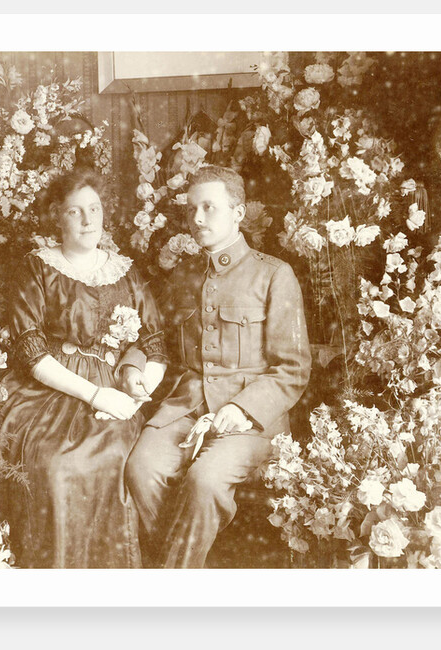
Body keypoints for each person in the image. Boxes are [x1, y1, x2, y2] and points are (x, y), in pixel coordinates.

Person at [123, 165, 311, 568]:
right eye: (192, 209)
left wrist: (241, 409)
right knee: (140, 468)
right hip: (186, 406)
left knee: (204, 482)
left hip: (253, 420)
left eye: (210, 208)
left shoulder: (274, 275)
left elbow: (292, 368)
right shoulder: (186, 274)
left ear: (238, 213)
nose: (197, 219)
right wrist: (134, 364)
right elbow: (158, 340)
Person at [0, 167, 167, 568]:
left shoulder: (126, 271)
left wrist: (139, 393)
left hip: (117, 389)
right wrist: (93, 393)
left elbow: (154, 342)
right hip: (51, 389)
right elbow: (31, 350)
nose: (88, 221)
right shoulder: (37, 268)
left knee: (120, 458)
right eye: (75, 212)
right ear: (57, 216)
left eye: (95, 208)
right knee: (55, 465)